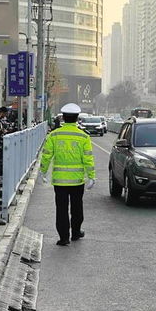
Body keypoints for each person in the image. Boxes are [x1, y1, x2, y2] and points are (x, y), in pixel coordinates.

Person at [39, 103, 96, 246]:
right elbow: (88, 158)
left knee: (61, 209)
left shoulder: (54, 135)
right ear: (77, 118)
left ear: (63, 117)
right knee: (77, 208)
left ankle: (64, 238)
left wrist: (43, 172)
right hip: (77, 181)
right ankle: (76, 232)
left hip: (60, 182)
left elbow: (46, 156)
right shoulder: (83, 137)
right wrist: (91, 176)